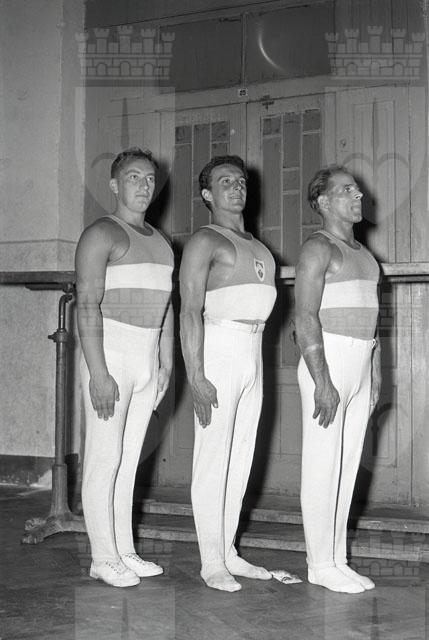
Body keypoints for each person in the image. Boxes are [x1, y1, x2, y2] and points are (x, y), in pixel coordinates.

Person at [75, 147, 174, 587]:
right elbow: (87, 304)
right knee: (104, 458)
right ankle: (102, 557)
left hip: (146, 359)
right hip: (110, 355)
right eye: (134, 177)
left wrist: (164, 363)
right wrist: (98, 373)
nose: (144, 185)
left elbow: (167, 307)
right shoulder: (101, 233)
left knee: (130, 459)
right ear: (115, 185)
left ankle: (124, 551)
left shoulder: (162, 242)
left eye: (150, 178)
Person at [179, 155, 277, 592]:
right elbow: (189, 310)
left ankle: (229, 551)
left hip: (253, 352)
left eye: (240, 181)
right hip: (218, 348)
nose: (236, 187)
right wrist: (196, 375)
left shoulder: (259, 247)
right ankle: (211, 561)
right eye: (224, 182)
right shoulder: (205, 240)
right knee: (213, 458)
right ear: (207, 194)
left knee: (240, 459)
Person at [294, 165, 381, 594]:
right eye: (347, 189)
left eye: (357, 189)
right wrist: (321, 379)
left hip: (360, 362)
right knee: (322, 466)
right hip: (328, 361)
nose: (358, 194)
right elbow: (305, 316)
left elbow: (373, 320)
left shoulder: (365, 255)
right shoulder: (318, 248)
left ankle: (337, 559)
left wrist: (374, 374)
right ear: (324, 202)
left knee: (347, 467)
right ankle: (319, 563)